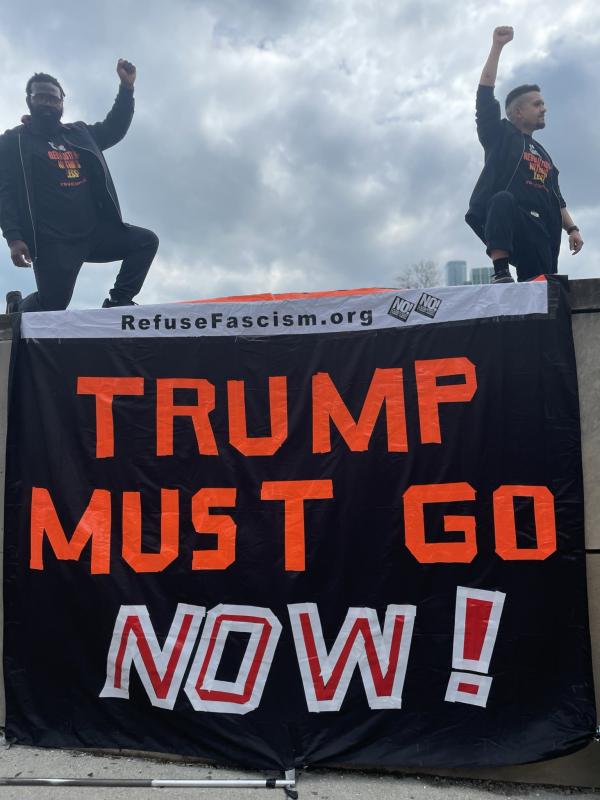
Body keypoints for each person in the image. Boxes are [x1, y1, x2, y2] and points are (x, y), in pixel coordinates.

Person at [0, 59, 158, 312]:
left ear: (62, 102)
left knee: (145, 241)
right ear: (30, 100)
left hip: (94, 233)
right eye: (41, 97)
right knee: (52, 306)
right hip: (54, 242)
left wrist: (126, 89)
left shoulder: (79, 134)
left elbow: (114, 128)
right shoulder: (13, 142)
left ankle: (118, 300)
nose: (49, 102)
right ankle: (17, 308)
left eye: (54, 98)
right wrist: (13, 238)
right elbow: (4, 191)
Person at [465, 26, 583, 283]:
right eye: (537, 104)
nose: (544, 108)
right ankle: (500, 272)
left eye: (543, 104)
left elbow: (557, 198)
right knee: (502, 199)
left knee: (543, 291)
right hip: (513, 221)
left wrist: (572, 228)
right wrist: (497, 47)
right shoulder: (500, 136)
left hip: (542, 232)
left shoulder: (544, 155)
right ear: (517, 112)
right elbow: (484, 98)